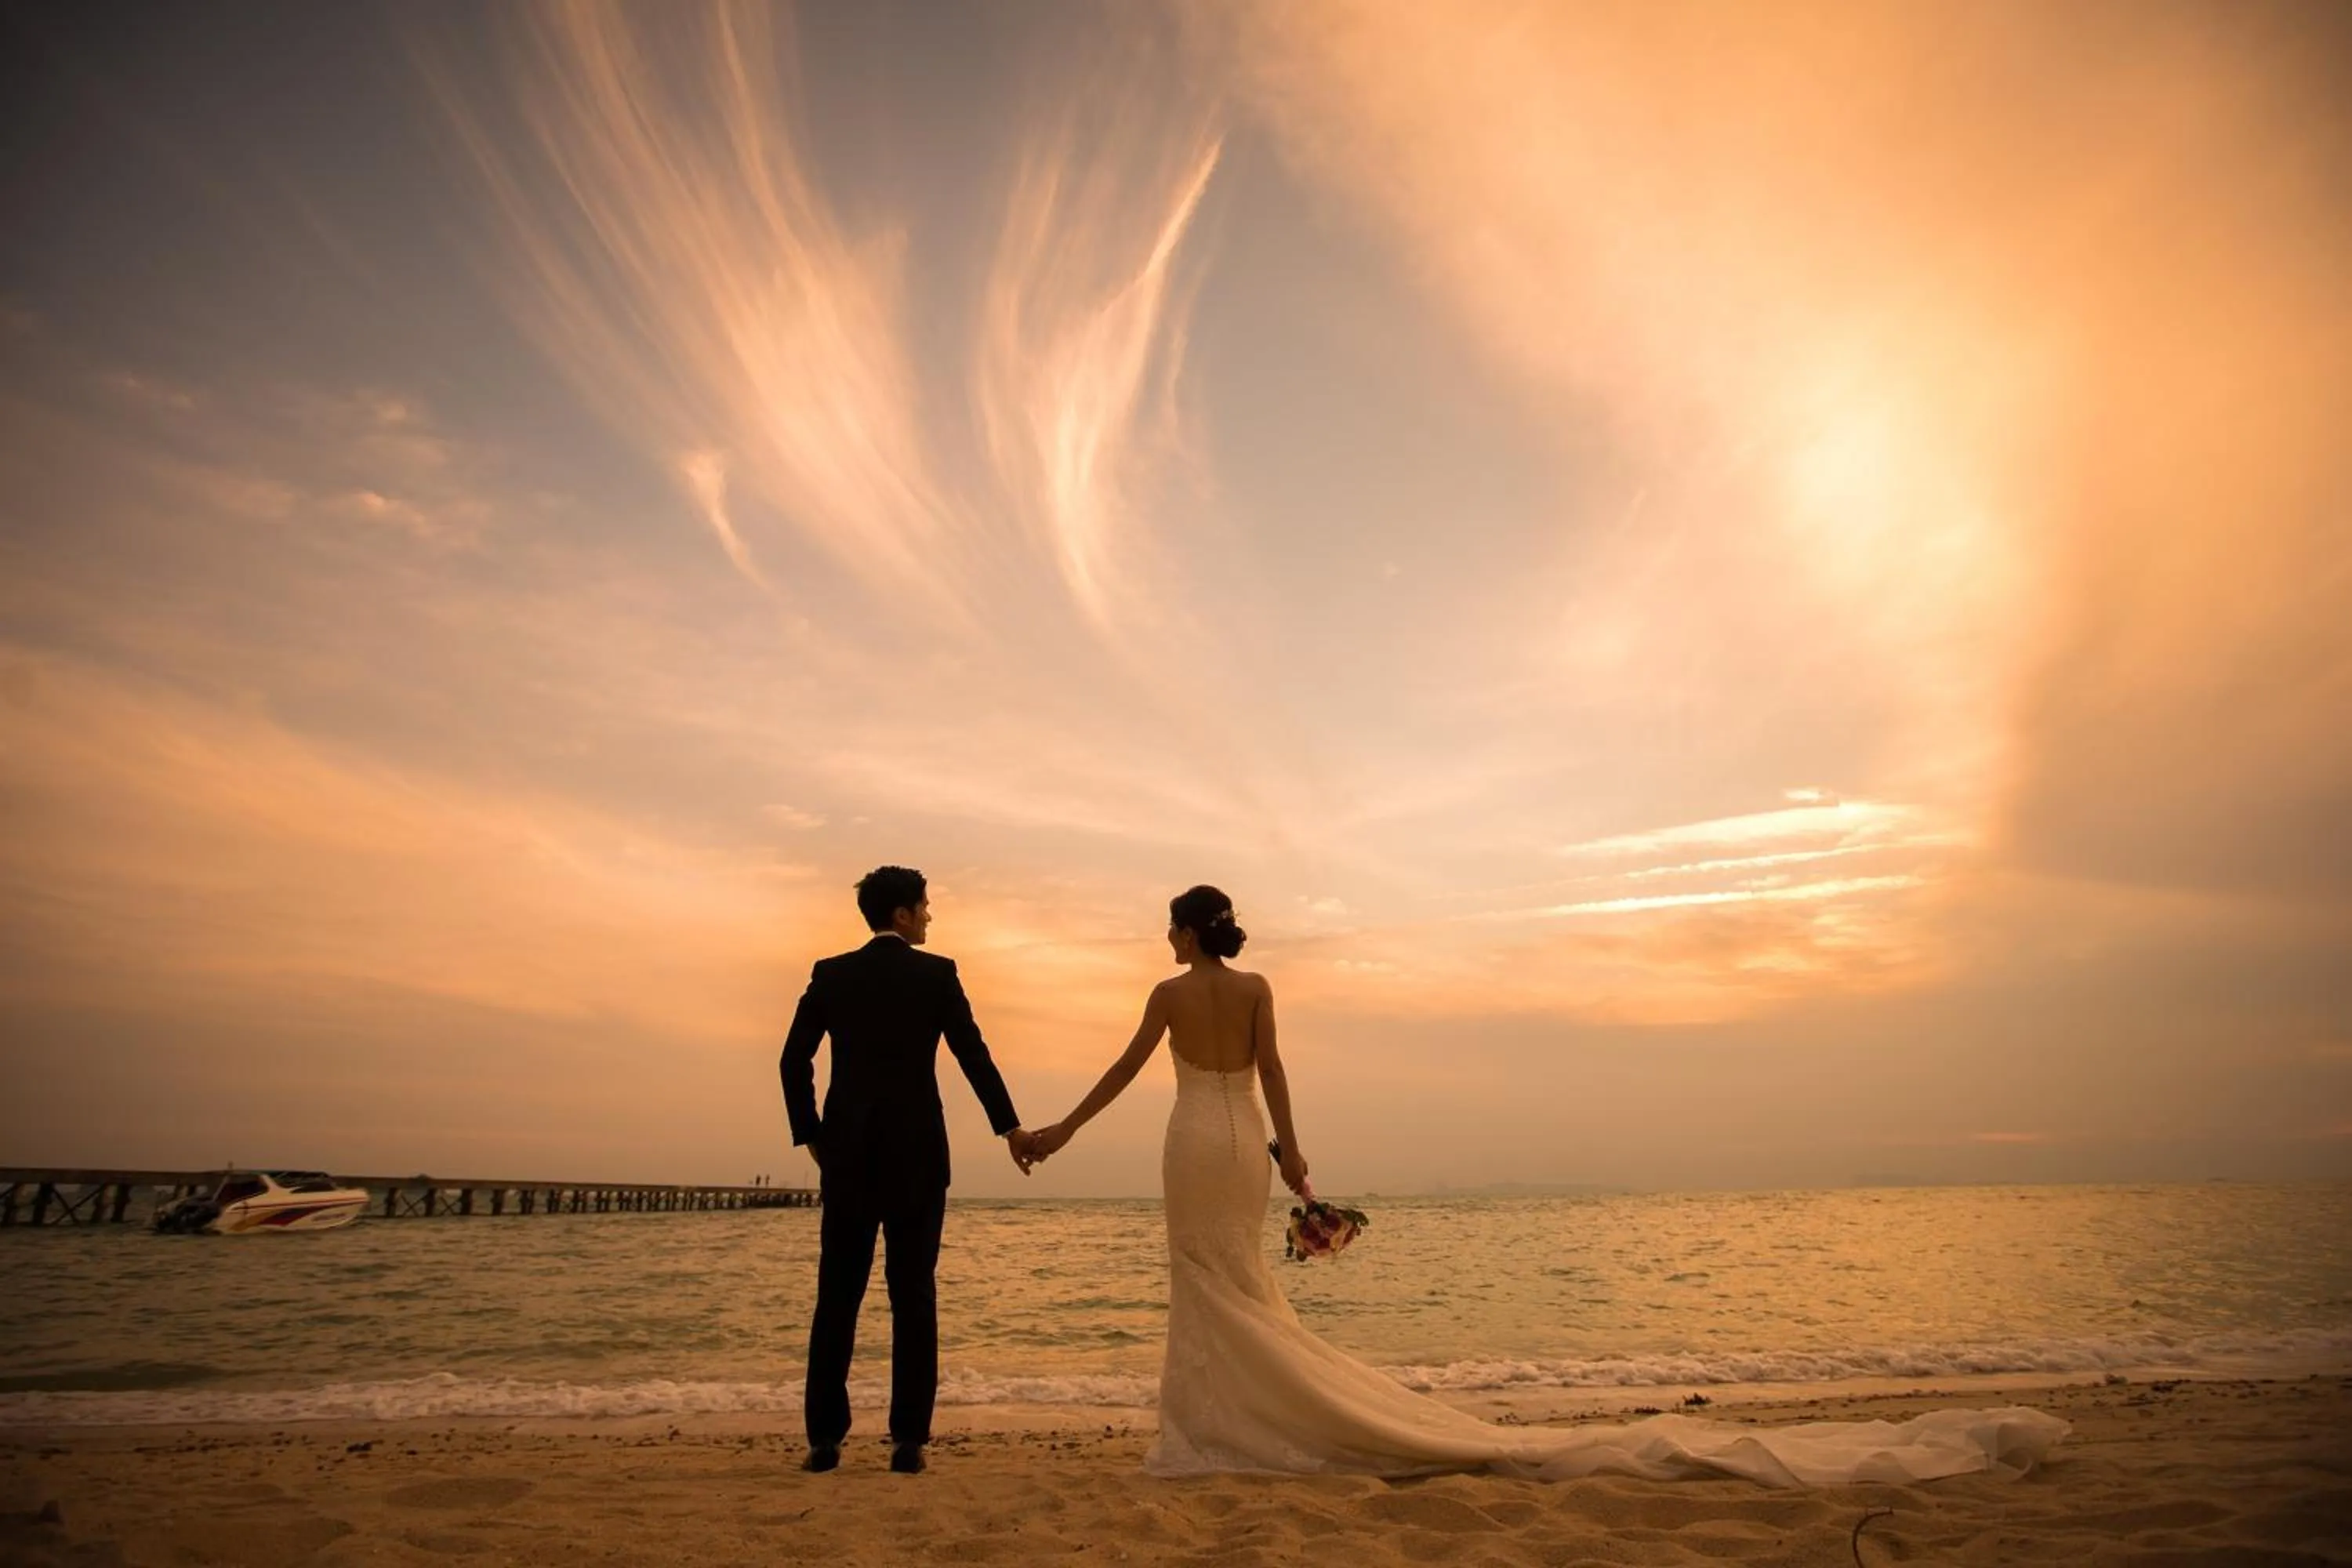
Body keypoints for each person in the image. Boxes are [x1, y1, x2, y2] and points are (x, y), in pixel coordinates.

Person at [1029, 885, 2067, 1483]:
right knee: (1243, 1278)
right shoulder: (1255, 989)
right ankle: (1232, 1419)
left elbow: (1125, 1072)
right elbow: (1276, 1078)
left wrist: (1062, 1132)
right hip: (1241, 1138)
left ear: (1189, 930)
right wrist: (1293, 1162)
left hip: (1184, 1140)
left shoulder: (1168, 994)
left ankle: (1212, 1429)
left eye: (1172, 924)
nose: (1166, 939)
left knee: (1207, 1285)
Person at [780, 865, 1042, 1475]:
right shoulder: (936, 974)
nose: (930, 916)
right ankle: (908, 1440)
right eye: (924, 906)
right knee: (913, 1295)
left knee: (837, 1295)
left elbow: (794, 1060)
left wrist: (812, 1134)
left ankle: (824, 1439)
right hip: (918, 1155)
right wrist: (1010, 1128)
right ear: (902, 913)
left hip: (847, 1155)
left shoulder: (832, 974)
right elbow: (973, 1054)